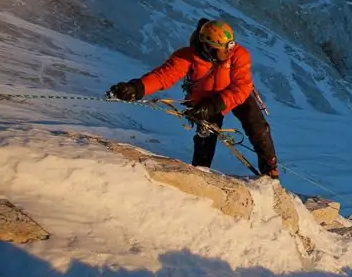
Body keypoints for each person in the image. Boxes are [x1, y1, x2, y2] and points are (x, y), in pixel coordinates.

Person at [108, 18, 279, 179]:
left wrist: (216, 104)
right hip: (204, 101)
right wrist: (136, 88)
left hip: (233, 94)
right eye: (224, 49)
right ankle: (200, 174)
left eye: (230, 46)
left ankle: (270, 170)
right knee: (205, 139)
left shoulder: (238, 54)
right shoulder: (188, 56)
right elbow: (164, 76)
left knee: (258, 127)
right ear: (209, 47)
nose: (229, 51)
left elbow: (242, 87)